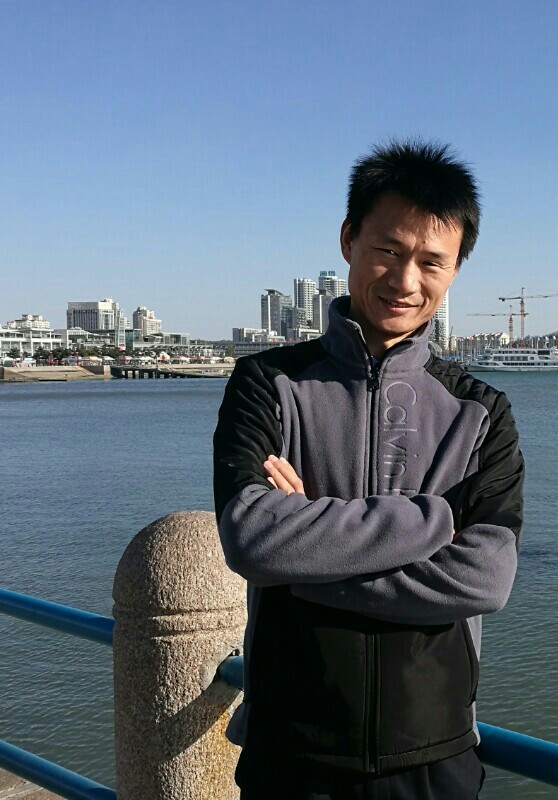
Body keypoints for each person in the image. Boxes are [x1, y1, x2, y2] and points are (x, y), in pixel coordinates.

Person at [214, 140, 524, 799]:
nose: (406, 281)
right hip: (290, 754)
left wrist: (306, 558)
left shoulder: (480, 412)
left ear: (454, 270)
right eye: (388, 249)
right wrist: (432, 521)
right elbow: (252, 538)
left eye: (431, 262)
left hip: (434, 756)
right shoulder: (267, 385)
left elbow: (487, 577)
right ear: (349, 239)